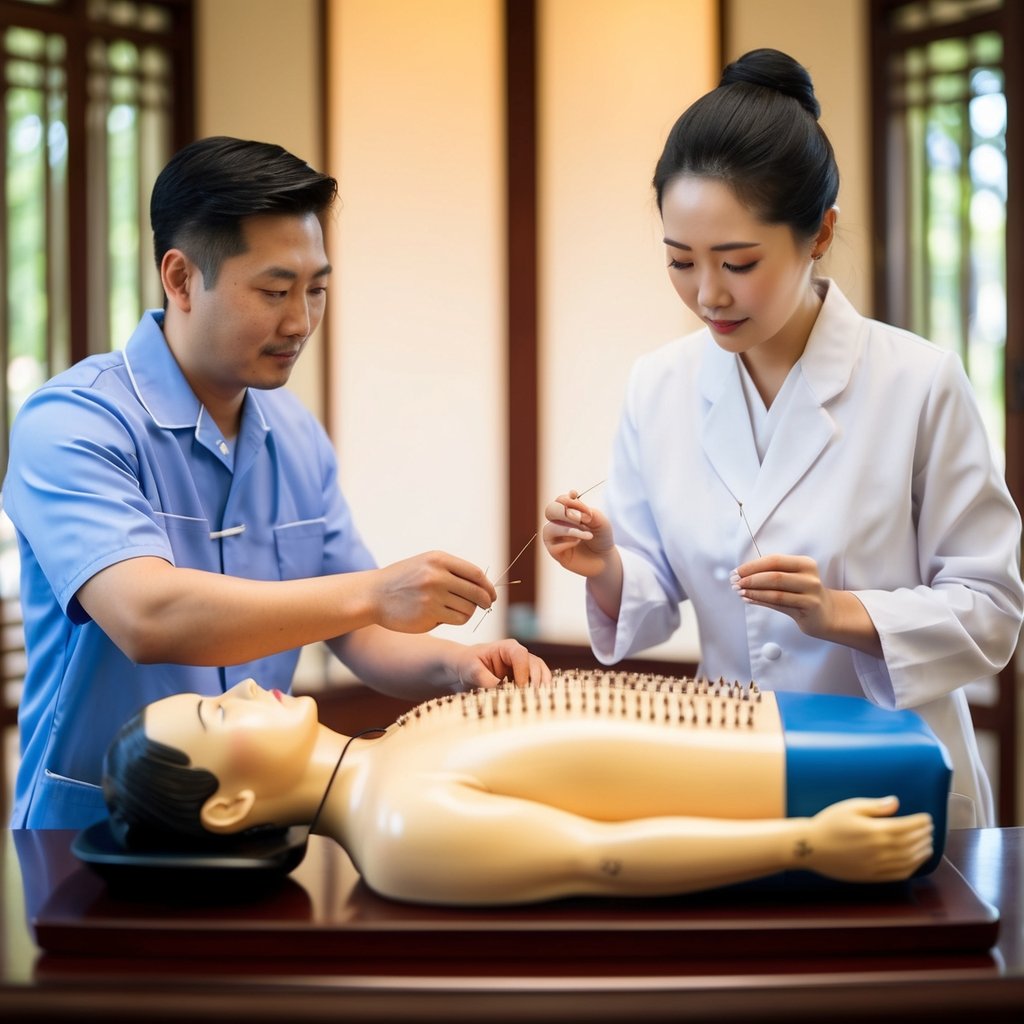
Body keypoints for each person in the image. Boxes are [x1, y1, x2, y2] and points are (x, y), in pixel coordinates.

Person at [2, 136, 548, 830]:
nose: (299, 322)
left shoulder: (293, 435)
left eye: (316, 289)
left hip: (256, 820)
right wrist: (377, 590)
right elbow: (147, 615)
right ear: (179, 278)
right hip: (92, 830)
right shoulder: (73, 422)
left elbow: (361, 633)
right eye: (274, 291)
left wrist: (457, 666)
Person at [542, 49, 1023, 830]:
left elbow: (992, 608)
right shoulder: (658, 386)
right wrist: (604, 565)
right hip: (731, 774)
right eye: (680, 261)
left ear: (820, 233)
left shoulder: (919, 383)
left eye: (738, 263)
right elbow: (655, 595)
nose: (707, 294)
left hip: (894, 775)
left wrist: (842, 613)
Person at [102, 675, 942, 907]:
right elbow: (600, 857)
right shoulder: (399, 830)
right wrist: (808, 843)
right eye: (222, 709)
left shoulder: (392, 749)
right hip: (799, 783)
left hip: (773, 720)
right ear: (228, 808)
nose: (248, 688)